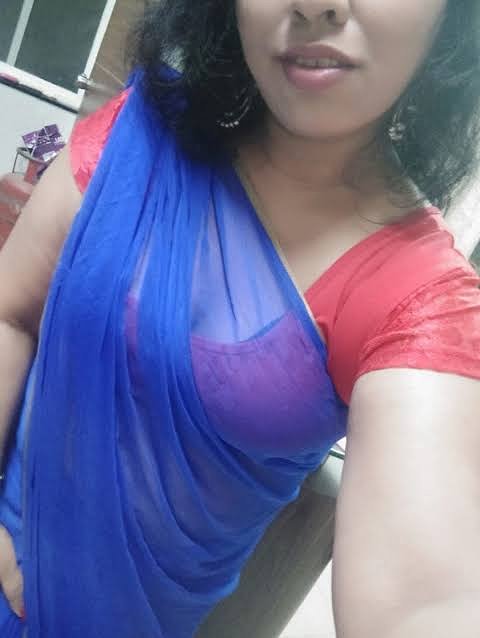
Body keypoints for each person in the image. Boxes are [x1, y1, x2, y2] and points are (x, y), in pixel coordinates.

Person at [0, 1, 479, 636]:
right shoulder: (140, 132)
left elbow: (425, 603)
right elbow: (10, 315)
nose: (315, 3)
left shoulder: (421, 300)